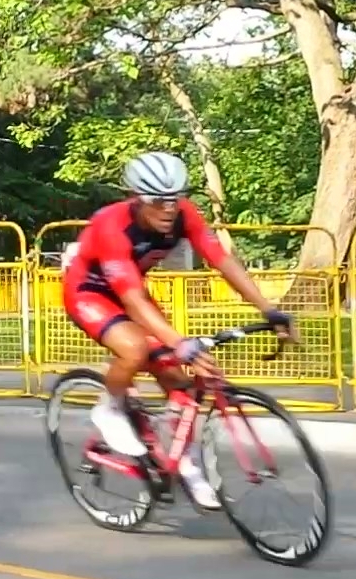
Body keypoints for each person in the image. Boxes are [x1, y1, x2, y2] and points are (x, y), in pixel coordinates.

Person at [62, 151, 296, 512]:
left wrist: (268, 308)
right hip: (89, 293)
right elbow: (134, 302)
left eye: (175, 198)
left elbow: (222, 261)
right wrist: (179, 342)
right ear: (137, 199)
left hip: (131, 293)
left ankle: (183, 461)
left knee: (179, 382)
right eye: (158, 201)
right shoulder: (112, 227)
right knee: (136, 349)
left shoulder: (184, 213)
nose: (169, 209)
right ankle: (109, 408)